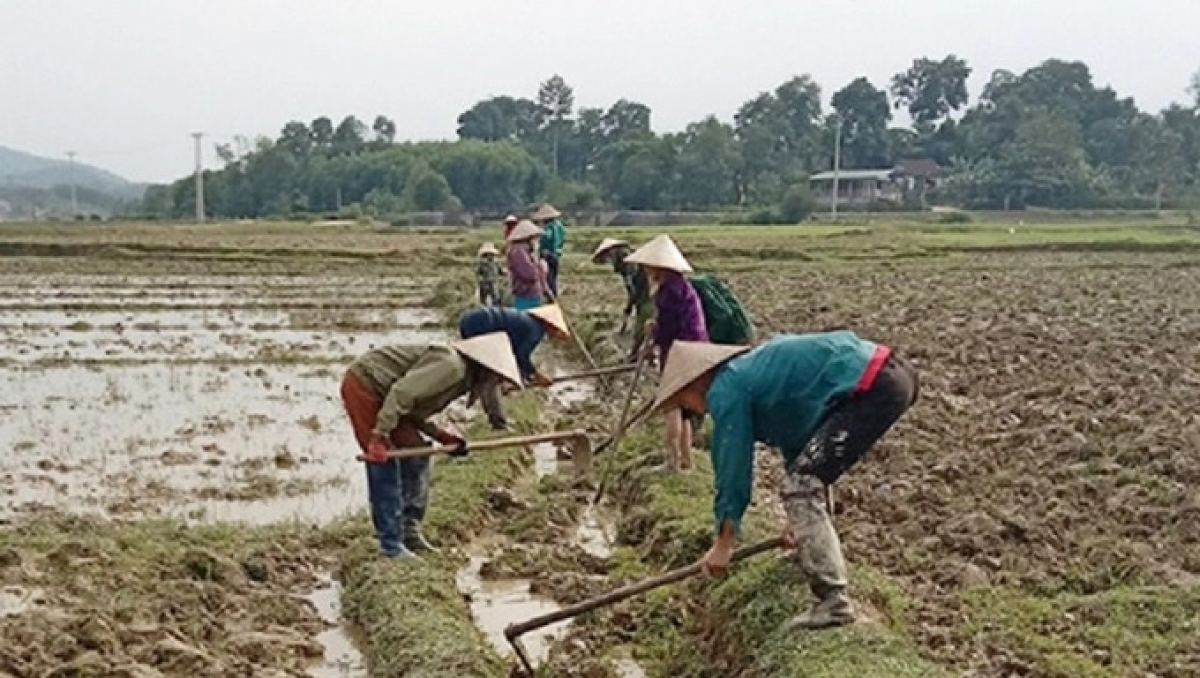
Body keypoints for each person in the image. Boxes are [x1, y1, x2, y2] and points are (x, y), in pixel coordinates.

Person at [651, 333, 920, 630]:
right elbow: (800, 439)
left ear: (695, 384)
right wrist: (798, 525)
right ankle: (813, 552)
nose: (694, 410)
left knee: (800, 487)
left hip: (873, 385)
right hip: (893, 375)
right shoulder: (747, 374)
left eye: (684, 402)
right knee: (805, 480)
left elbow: (733, 464)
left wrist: (724, 542)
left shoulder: (725, 389)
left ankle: (833, 601)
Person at [340, 332, 523, 559]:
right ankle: (390, 544)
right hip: (367, 385)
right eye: (497, 379)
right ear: (486, 369)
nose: (496, 385)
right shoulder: (451, 366)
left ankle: (410, 530)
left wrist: (441, 435)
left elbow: (413, 408)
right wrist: (379, 435)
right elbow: (402, 393)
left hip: (389, 397)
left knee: (417, 452)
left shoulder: (461, 378)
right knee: (384, 458)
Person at [625, 234, 708, 472]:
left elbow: (670, 328)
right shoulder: (680, 285)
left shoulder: (668, 291)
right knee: (684, 408)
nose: (646, 270)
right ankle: (686, 460)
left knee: (671, 403)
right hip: (693, 349)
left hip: (680, 351)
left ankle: (672, 462)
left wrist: (655, 333)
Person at [458, 304, 572, 428]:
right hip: (482, 325)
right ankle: (498, 423)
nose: (555, 335)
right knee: (490, 376)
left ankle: (485, 407)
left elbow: (514, 356)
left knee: (483, 371)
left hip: (470, 320)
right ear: (550, 325)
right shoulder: (535, 330)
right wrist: (537, 375)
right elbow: (521, 356)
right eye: (556, 331)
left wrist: (519, 377)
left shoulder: (526, 321)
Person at [591, 238, 652, 363]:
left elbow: (634, 288)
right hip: (644, 291)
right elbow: (631, 288)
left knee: (643, 323)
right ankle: (646, 354)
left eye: (607, 257)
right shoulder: (623, 260)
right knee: (646, 323)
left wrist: (629, 307)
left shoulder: (627, 260)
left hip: (648, 293)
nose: (607, 261)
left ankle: (635, 355)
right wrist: (629, 307)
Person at [506, 219, 545, 311]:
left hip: (531, 294)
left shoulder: (527, 251)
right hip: (526, 295)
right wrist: (540, 268)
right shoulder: (518, 251)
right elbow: (529, 274)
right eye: (535, 238)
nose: (537, 241)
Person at [532, 204, 565, 299]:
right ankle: (554, 295)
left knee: (547, 277)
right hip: (556, 254)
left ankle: (551, 297)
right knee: (554, 277)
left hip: (547, 254)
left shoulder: (548, 228)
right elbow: (562, 240)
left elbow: (547, 237)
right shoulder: (560, 226)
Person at [475, 242, 503, 307]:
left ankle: (495, 309)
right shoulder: (482, 263)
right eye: (488, 254)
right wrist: (480, 279)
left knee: (496, 298)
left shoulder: (496, 262)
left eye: (491, 254)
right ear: (485, 255)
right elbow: (478, 273)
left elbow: (500, 271)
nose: (490, 256)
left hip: (494, 282)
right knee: (483, 299)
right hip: (485, 283)